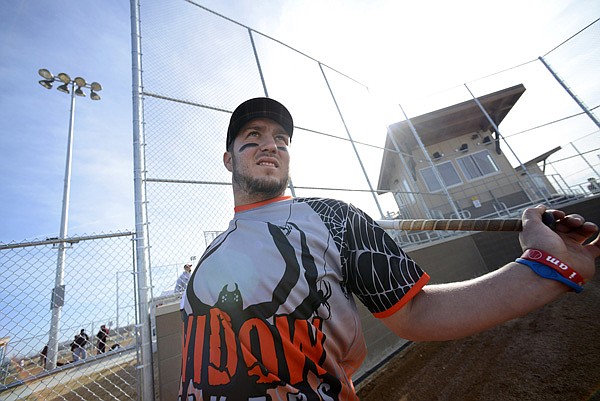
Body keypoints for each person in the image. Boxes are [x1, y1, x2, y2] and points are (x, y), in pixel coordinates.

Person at [178, 98, 599, 399]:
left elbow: (419, 312)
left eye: (282, 139)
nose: (272, 145)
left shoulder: (332, 218)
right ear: (229, 160)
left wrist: (544, 268)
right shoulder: (207, 258)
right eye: (253, 136)